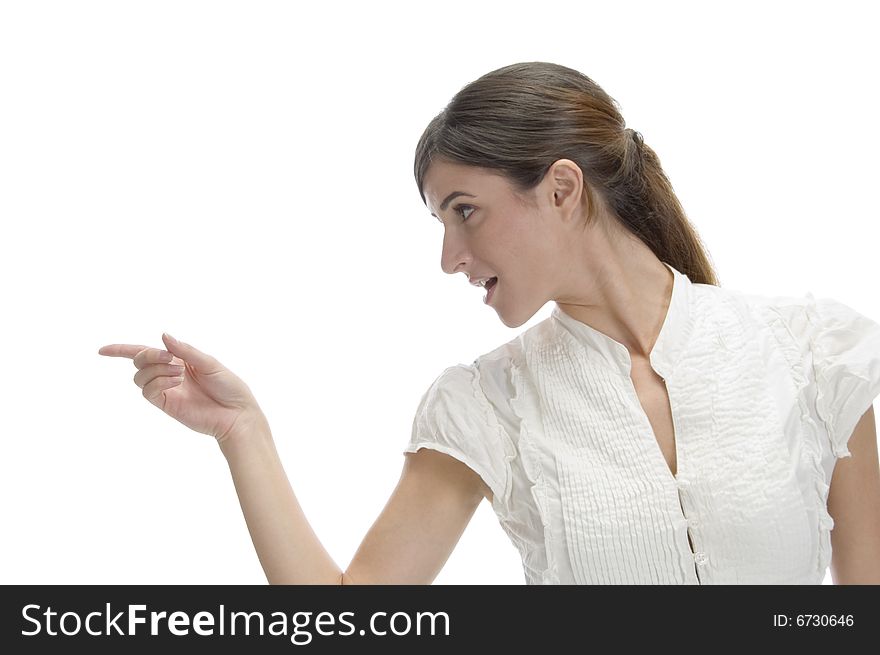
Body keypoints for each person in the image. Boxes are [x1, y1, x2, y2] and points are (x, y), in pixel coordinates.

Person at [98, 61, 880, 585]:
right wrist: (245, 434)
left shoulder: (812, 354)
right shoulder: (487, 403)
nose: (450, 256)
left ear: (563, 190)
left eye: (464, 212)